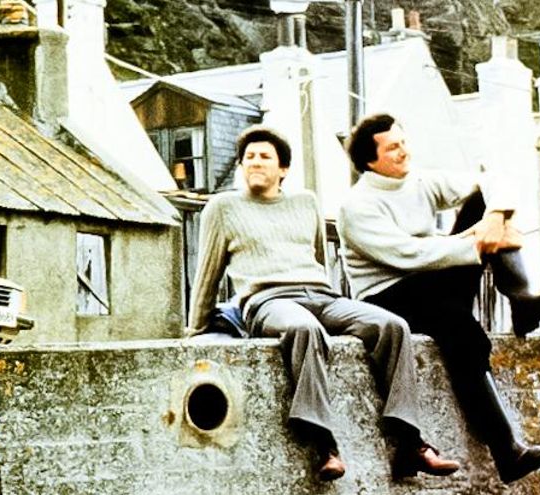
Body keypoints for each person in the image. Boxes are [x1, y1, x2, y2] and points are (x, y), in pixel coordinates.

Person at [187, 125, 459, 481]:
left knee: (392, 326)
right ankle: (324, 447)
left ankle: (411, 444)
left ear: (283, 169)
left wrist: (326, 295)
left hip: (320, 293)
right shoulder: (223, 207)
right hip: (268, 300)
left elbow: (317, 256)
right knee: (304, 329)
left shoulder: (306, 202)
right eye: (248, 157)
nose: (255, 162)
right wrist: (195, 328)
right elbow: (207, 272)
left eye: (264, 156)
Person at [338, 113, 540, 484]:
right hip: (388, 294)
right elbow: (407, 255)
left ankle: (522, 300)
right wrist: (475, 242)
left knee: (486, 203)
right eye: (393, 148)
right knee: (460, 329)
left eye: (403, 142)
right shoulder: (357, 206)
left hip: (433, 279)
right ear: (370, 160)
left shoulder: (419, 181)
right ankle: (506, 450)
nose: (404, 152)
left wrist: (494, 218)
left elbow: (496, 180)